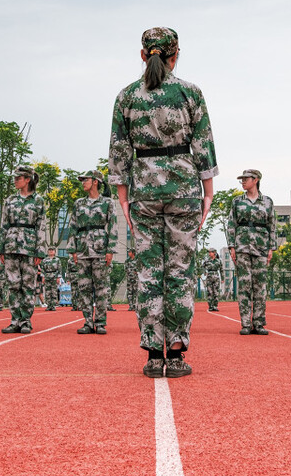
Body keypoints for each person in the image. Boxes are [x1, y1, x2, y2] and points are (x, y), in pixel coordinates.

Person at [109, 26, 217, 379]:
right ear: (176, 54)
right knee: (180, 271)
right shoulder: (190, 93)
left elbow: (119, 151)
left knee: (148, 271)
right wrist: (208, 193)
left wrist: (123, 199)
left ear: (143, 55)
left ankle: (154, 353)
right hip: (184, 188)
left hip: (143, 190)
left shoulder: (127, 96)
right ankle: (177, 350)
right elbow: (203, 144)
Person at [227, 169, 276, 335]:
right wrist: (232, 247)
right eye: (241, 179)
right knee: (244, 286)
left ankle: (259, 322)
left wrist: (271, 248)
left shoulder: (268, 202)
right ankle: (246, 323)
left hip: (261, 248)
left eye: (245, 179)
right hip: (242, 247)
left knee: (260, 287)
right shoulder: (237, 201)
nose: (242, 181)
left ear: (255, 180)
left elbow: (272, 226)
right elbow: (231, 224)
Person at [0, 165, 46, 335]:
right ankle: (14, 320)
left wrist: (40, 251)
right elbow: (4, 224)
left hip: (30, 247)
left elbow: (41, 226)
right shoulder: (10, 200)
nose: (15, 181)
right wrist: (1, 248)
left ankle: (25, 321)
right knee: (13, 285)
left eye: (18, 178)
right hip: (11, 245)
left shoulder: (38, 201)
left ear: (27, 180)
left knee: (28, 285)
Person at [70, 170, 117, 334]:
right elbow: (73, 226)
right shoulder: (78, 203)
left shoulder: (108, 203)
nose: (83, 182)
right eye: (81, 180)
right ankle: (88, 322)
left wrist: (110, 250)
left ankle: (101, 322)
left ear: (95, 182)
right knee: (84, 287)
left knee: (101, 287)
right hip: (82, 249)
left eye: (85, 180)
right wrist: (72, 249)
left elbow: (112, 227)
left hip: (100, 249)